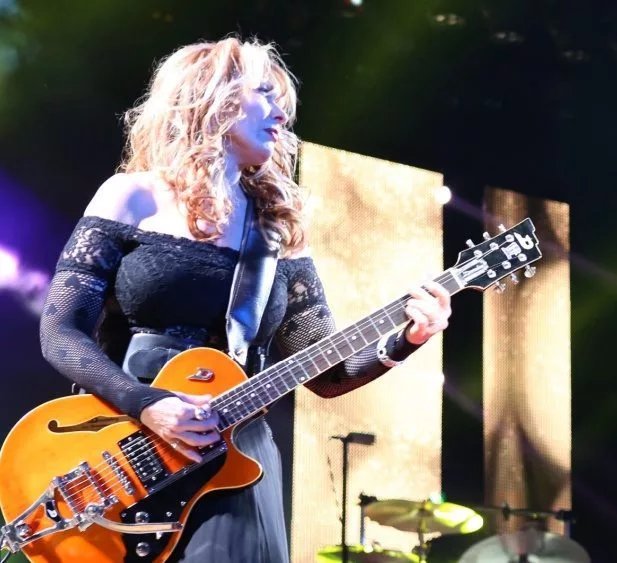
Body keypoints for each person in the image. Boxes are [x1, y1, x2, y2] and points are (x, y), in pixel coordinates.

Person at [38, 36, 452, 562]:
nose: (281, 114)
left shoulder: (277, 228)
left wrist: (409, 336)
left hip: (237, 457)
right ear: (212, 98)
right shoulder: (131, 196)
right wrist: (148, 404)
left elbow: (326, 370)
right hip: (128, 442)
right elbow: (61, 330)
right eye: (266, 94)